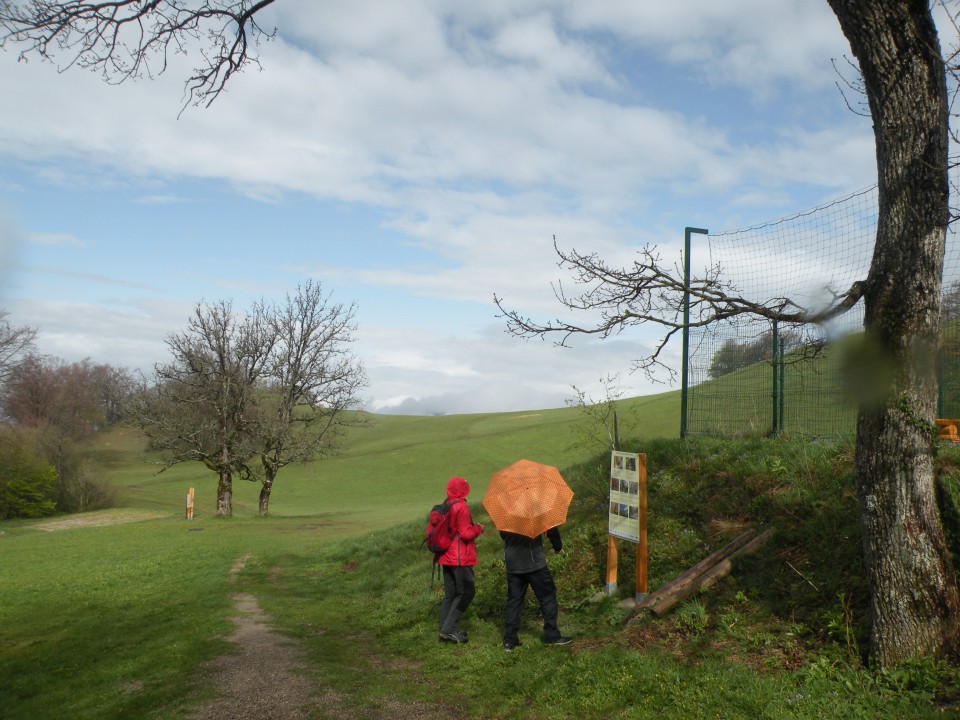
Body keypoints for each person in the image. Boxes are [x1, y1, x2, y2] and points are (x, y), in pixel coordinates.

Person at [500, 526, 573, 650]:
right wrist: (558, 547)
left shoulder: (506, 514)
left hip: (513, 564)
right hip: (534, 563)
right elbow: (551, 529)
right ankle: (551, 635)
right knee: (547, 596)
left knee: (514, 601)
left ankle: (510, 640)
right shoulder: (536, 508)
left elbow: (503, 535)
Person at [437, 476, 485, 644]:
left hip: (445, 556)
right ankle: (448, 630)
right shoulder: (461, 507)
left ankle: (444, 630)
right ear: (463, 490)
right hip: (460, 557)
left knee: (450, 594)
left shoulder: (446, 504)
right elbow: (466, 534)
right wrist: (478, 528)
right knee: (467, 592)